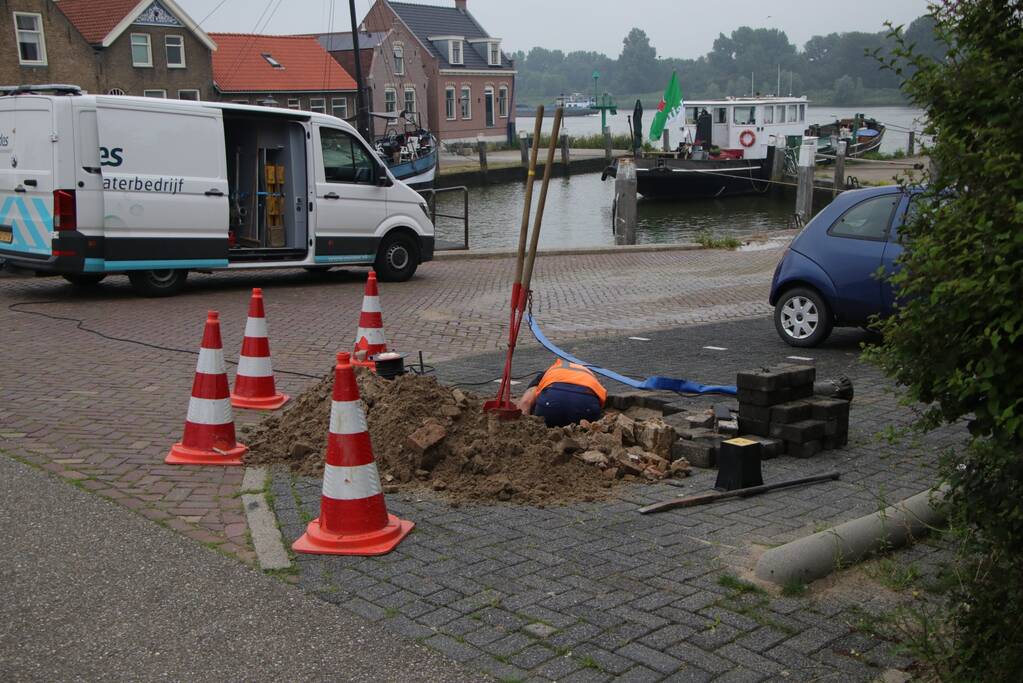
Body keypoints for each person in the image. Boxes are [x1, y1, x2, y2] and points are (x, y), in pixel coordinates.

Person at [516, 358, 608, 428]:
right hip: (585, 405)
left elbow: (525, 402)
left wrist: (522, 426)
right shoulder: (587, 374)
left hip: (551, 403)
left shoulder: (549, 373)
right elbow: (601, 401)